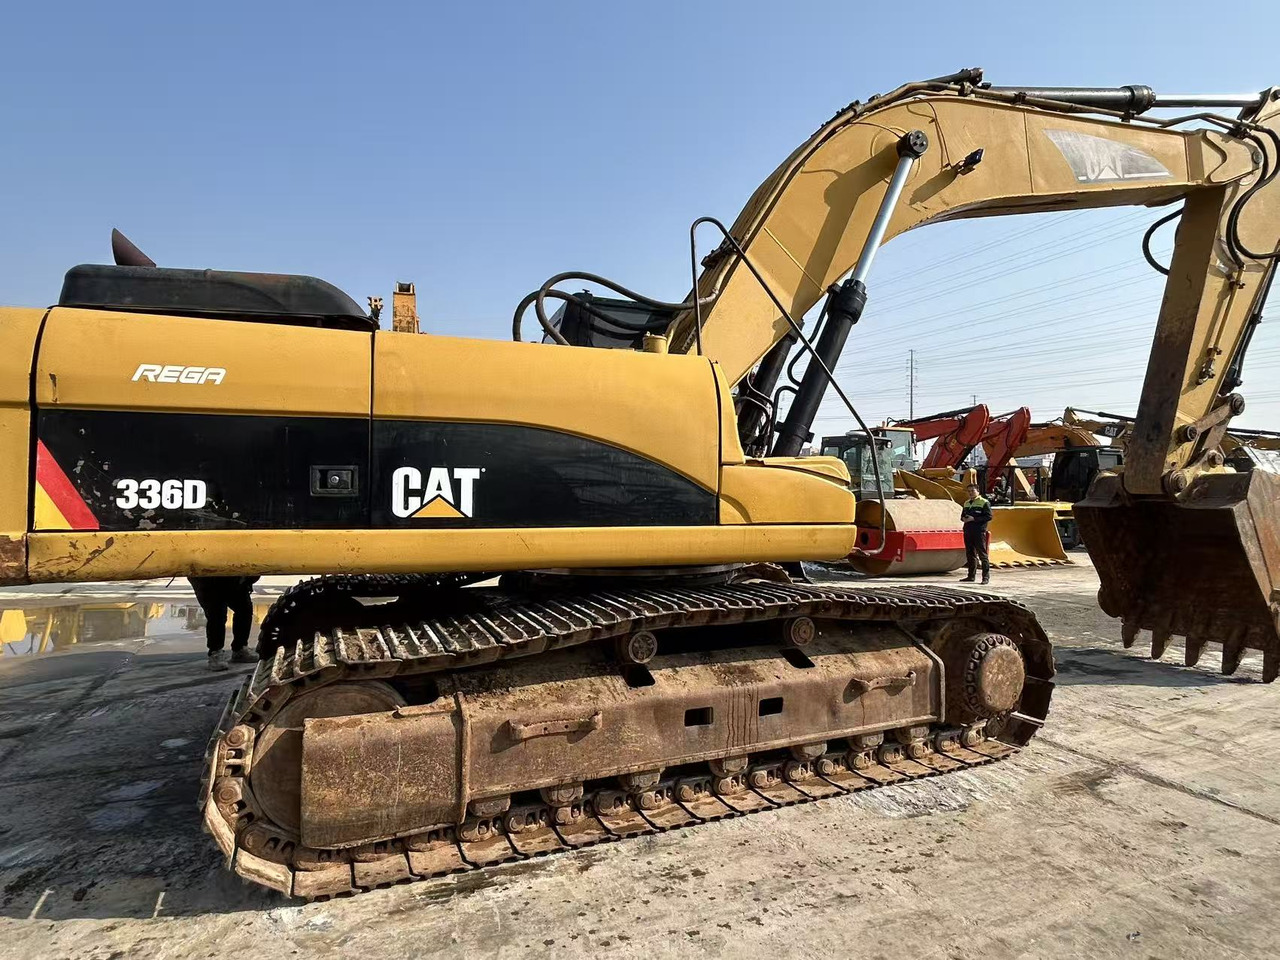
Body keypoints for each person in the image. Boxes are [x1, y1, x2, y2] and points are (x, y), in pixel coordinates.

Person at [189, 575, 260, 670]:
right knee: (217, 614)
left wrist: (246, 581)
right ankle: (215, 652)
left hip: (234, 579)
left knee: (244, 609)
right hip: (208, 581)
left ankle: (240, 649)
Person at [959, 482, 992, 584]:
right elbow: (962, 516)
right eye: (969, 491)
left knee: (982, 554)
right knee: (970, 554)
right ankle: (971, 576)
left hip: (979, 531)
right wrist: (964, 519)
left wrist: (974, 519)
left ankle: (985, 577)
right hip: (968, 531)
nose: (970, 493)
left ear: (978, 491)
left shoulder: (984, 502)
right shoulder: (966, 503)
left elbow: (988, 516)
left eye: (972, 491)